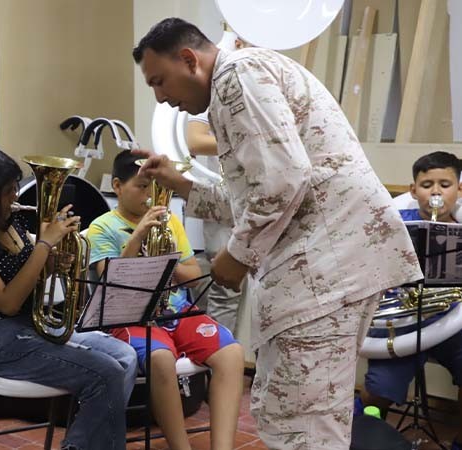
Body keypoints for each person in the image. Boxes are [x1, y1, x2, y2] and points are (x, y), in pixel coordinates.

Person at [133, 18, 423, 449]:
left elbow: (283, 181)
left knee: (303, 419)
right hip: (333, 265)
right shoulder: (241, 80)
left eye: (159, 81)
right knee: (293, 407)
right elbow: (256, 195)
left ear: (190, 60)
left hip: (328, 268)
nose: (160, 97)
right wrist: (184, 187)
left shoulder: (237, 76)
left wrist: (238, 254)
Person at [0, 145, 137, 450]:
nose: (15, 197)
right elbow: (8, 301)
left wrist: (57, 261)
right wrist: (44, 245)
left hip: (26, 328)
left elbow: (26, 272)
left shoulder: (9, 223)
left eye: (15, 187)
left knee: (125, 355)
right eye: (7, 191)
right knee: (106, 373)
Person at [87, 150, 244, 450]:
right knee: (161, 358)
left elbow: (192, 271)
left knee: (232, 353)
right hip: (129, 316)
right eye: (141, 187)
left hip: (176, 310)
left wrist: (164, 261)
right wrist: (136, 240)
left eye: (153, 187)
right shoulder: (102, 227)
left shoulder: (171, 223)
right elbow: (110, 280)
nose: (149, 196)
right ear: (118, 186)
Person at [361, 151, 462, 450]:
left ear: (459, 189)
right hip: (401, 323)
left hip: (451, 321)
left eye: (445, 184)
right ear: (413, 189)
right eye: (427, 184)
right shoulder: (394, 225)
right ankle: (363, 433)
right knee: (378, 390)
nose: (435, 191)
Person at [186, 34, 251, 333]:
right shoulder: (211, 82)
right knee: (224, 294)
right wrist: (245, 141)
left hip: (249, 201)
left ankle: (224, 362)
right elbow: (195, 141)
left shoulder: (252, 83)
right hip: (223, 200)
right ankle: (216, 363)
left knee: (238, 297)